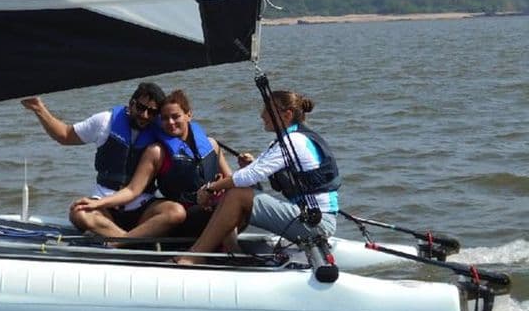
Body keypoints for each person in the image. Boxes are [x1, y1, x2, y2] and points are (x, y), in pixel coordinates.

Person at [175, 90, 340, 265]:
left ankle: (194, 256)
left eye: (267, 111)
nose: (262, 115)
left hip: (317, 224)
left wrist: (210, 188)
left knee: (238, 194)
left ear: (287, 115)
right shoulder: (284, 142)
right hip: (308, 219)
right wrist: (249, 165)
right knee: (236, 190)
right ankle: (231, 251)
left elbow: (252, 175)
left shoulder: (295, 142)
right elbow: (254, 170)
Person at [21, 82, 183, 239]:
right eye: (141, 108)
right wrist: (39, 108)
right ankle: (129, 240)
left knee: (174, 212)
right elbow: (65, 135)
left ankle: (119, 239)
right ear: (131, 103)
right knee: (79, 213)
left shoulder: (163, 128)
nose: (145, 115)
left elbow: (186, 137)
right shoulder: (104, 121)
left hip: (142, 208)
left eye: (152, 112)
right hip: (104, 207)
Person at [72, 89, 233, 239]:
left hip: (202, 209)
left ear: (189, 115)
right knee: (78, 213)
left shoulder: (211, 145)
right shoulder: (156, 151)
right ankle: (125, 241)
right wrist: (98, 202)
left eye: (176, 116)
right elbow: (133, 190)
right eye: (164, 118)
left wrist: (243, 169)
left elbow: (232, 179)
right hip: (186, 215)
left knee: (233, 200)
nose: (170, 122)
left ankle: (121, 240)